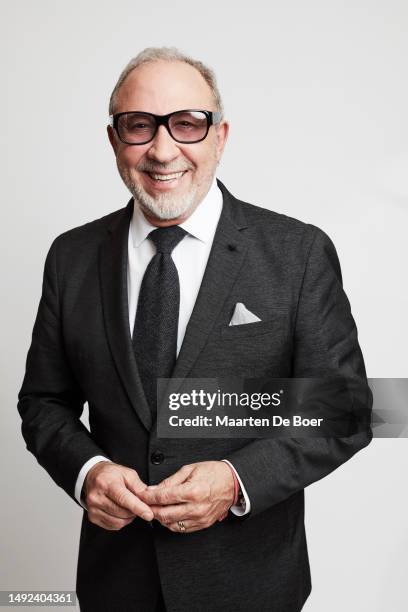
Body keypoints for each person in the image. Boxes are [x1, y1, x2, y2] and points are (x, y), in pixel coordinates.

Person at [17, 46, 372, 612]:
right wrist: (88, 472)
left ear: (220, 136)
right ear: (114, 140)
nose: (162, 150)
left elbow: (344, 411)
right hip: (115, 585)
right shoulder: (72, 256)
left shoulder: (297, 253)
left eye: (187, 124)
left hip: (250, 585)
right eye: (139, 126)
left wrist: (236, 480)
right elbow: (43, 402)